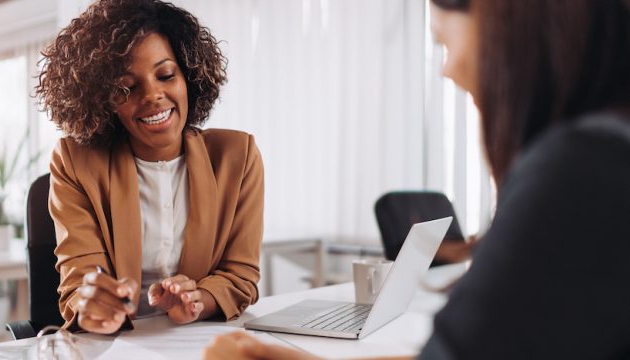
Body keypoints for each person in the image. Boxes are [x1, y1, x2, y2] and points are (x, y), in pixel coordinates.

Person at [205, 0, 630, 359]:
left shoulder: (580, 171)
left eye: (444, 42)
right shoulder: (603, 154)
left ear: (509, 24)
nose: (449, 69)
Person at [37, 0, 264, 334]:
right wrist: (94, 307)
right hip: (114, 348)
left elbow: (240, 276)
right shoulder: (75, 162)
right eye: (126, 87)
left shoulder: (237, 156)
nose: (153, 95)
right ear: (103, 100)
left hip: (197, 342)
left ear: (188, 75)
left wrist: (197, 302)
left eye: (166, 75)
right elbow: (78, 286)